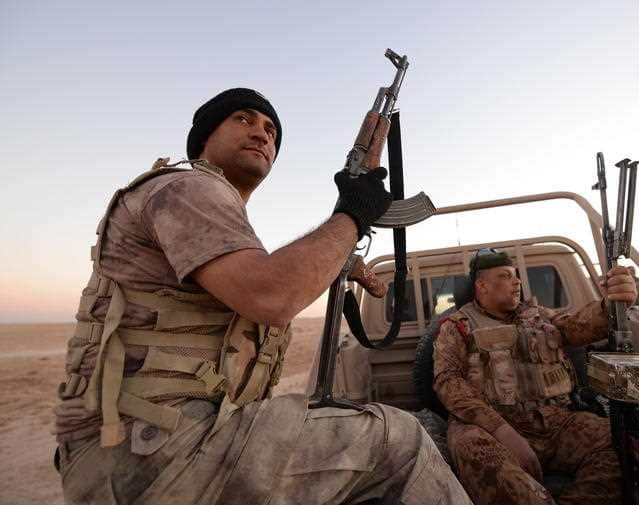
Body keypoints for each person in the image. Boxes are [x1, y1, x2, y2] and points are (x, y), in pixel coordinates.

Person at [53, 88, 471, 505]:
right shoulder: (185, 188)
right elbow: (272, 294)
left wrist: (337, 255)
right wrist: (354, 214)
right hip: (151, 447)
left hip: (162, 437)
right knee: (399, 441)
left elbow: (267, 282)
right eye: (243, 119)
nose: (261, 134)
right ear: (204, 138)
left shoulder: (217, 218)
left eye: (271, 130)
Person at [433, 249, 639, 505]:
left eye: (516, 275)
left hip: (553, 421)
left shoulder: (539, 316)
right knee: (472, 449)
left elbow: (578, 326)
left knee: (629, 445)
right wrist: (502, 430)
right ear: (482, 286)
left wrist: (613, 304)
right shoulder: (458, 326)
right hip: (491, 425)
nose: (517, 281)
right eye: (506, 276)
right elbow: (448, 382)